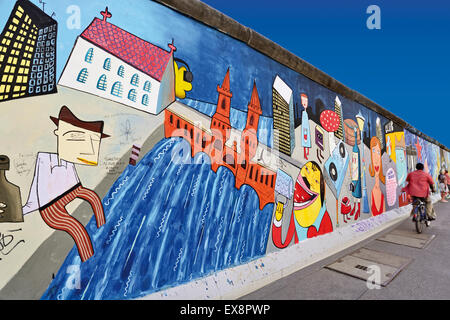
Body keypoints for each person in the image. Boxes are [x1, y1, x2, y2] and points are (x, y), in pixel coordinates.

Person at [23, 106, 110, 262]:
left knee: (94, 198)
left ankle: (104, 231)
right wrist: (24, 210)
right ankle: (89, 262)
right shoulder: (45, 159)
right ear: (58, 133)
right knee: (77, 229)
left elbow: (76, 184)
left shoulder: (69, 160)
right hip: (51, 206)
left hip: (72, 190)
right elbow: (37, 188)